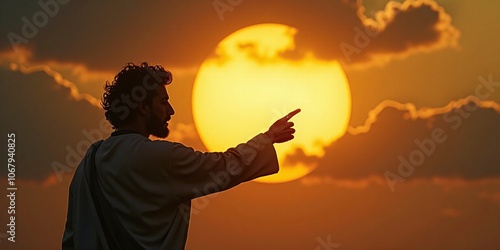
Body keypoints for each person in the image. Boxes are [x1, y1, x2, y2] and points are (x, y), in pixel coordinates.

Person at [62, 62, 300, 250]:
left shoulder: (88, 163)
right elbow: (223, 168)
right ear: (143, 107)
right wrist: (267, 138)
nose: (171, 110)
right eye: (163, 101)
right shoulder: (164, 157)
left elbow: (71, 239)